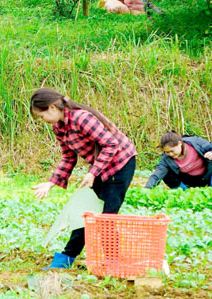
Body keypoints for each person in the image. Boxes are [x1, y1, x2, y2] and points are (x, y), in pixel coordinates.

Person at [29, 87, 137, 270]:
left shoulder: (82, 118)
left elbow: (111, 144)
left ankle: (112, 263)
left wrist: (92, 173)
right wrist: (51, 183)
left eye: (42, 116)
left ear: (53, 107)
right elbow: (68, 158)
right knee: (87, 213)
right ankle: (67, 257)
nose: (43, 121)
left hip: (120, 164)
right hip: (100, 167)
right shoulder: (59, 127)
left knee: (107, 216)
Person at [144, 131, 212, 189]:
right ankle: (185, 193)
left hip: (206, 177)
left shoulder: (196, 143)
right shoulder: (166, 159)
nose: (170, 154)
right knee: (166, 174)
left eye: (172, 151)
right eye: (167, 152)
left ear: (179, 144)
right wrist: (147, 189)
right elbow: (156, 175)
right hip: (189, 181)